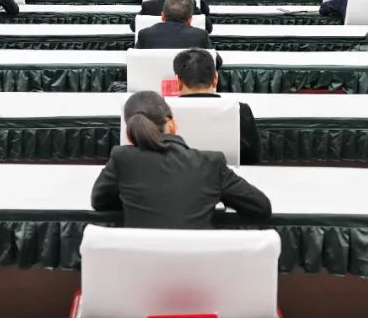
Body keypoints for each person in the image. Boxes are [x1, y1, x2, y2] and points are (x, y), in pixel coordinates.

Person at [90, 90, 271, 229]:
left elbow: (99, 201)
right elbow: (261, 207)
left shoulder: (122, 158)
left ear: (130, 136)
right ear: (172, 124)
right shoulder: (211, 163)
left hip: (140, 266)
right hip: (197, 265)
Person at [173, 48, 261, 165]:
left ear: (178, 82)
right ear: (215, 79)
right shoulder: (240, 110)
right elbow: (253, 158)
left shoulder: (165, 113)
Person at [136, 0, 212, 50]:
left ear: (162, 16)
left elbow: (134, 59)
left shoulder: (145, 35)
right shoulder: (201, 36)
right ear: (190, 20)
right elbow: (214, 60)